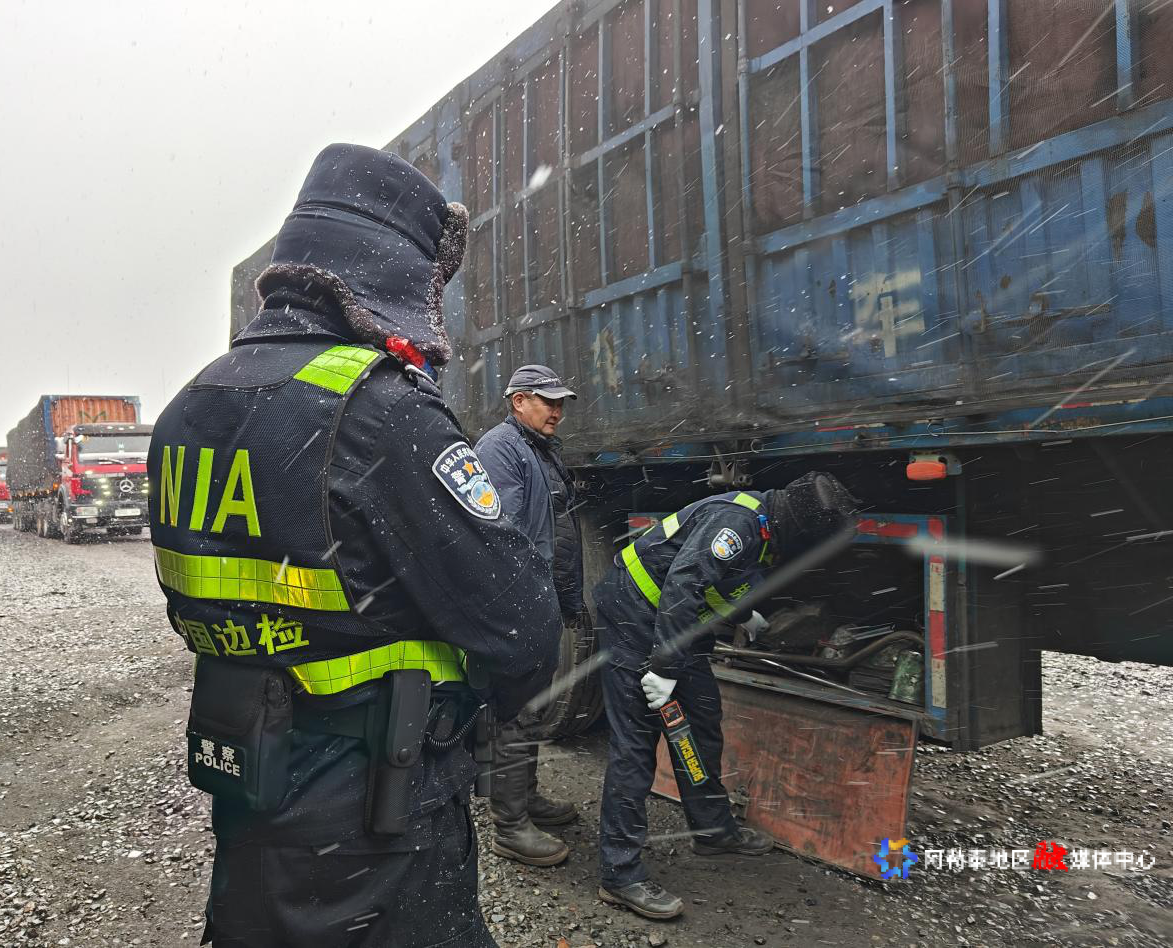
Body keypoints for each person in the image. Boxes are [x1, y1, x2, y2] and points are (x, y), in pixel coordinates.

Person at [147, 143, 561, 948]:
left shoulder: (186, 409)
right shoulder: (382, 412)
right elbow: (523, 626)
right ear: (392, 276)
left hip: (249, 791)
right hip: (378, 817)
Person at [593, 473, 858, 920]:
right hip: (632, 612)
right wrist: (663, 670)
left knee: (702, 718)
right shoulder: (738, 525)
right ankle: (620, 874)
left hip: (675, 620)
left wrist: (743, 613)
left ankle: (713, 831)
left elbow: (720, 578)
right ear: (799, 531)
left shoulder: (769, 525)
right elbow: (683, 583)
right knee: (635, 745)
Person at [475, 365, 583, 865]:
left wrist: (565, 600)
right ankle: (510, 825)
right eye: (547, 401)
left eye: (560, 402)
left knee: (534, 705)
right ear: (518, 401)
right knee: (516, 711)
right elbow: (503, 535)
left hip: (540, 600)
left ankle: (527, 798)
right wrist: (519, 606)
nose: (557, 411)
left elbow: (555, 529)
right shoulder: (501, 449)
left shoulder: (539, 449)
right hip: (519, 603)